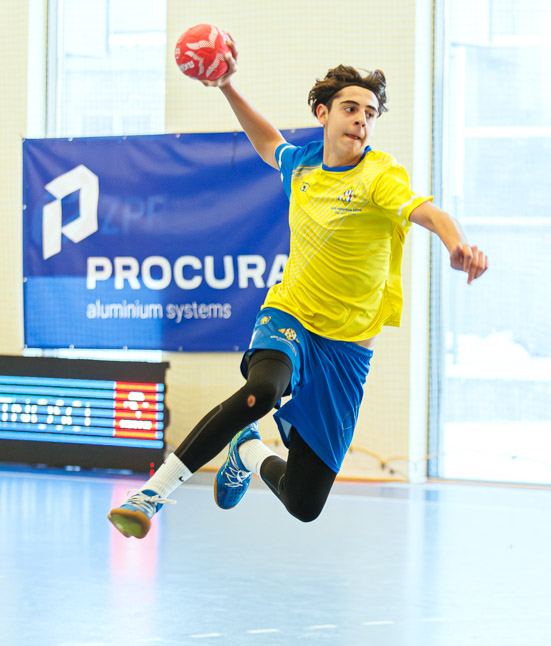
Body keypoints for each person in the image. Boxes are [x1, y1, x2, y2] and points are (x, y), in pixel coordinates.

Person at [109, 39, 487, 539]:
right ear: (323, 113)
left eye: (370, 113)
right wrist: (226, 86)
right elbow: (267, 141)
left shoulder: (380, 176)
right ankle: (151, 495)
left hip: (347, 349)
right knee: (261, 391)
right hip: (291, 315)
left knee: (304, 503)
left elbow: (431, 213)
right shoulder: (303, 165)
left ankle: (247, 451)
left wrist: (456, 244)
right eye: (350, 108)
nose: (361, 120)